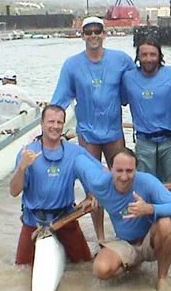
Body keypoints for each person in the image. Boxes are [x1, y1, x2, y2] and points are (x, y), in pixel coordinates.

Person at [74, 148, 171, 290]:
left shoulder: (148, 182)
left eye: (129, 171)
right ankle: (131, 265)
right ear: (110, 169)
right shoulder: (98, 183)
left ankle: (162, 278)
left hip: (149, 241)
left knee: (166, 224)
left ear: (136, 170)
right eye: (119, 171)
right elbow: (77, 159)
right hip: (124, 242)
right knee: (100, 270)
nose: (124, 177)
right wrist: (91, 195)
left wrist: (150, 209)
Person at [9, 104, 104, 265]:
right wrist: (22, 167)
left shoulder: (75, 152)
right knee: (21, 269)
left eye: (59, 123)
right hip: (34, 220)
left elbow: (100, 174)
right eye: (51, 122)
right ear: (41, 123)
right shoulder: (27, 153)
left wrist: (91, 195)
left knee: (84, 265)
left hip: (66, 218)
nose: (55, 126)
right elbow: (14, 191)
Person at [51, 16, 136, 167]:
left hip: (114, 132)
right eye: (88, 32)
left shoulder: (122, 60)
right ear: (82, 35)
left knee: (121, 179)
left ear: (104, 34)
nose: (93, 35)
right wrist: (48, 129)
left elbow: (139, 84)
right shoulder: (71, 65)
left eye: (97, 31)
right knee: (91, 180)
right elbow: (59, 101)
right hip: (87, 133)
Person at [121, 37, 171, 237]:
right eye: (144, 54)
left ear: (159, 56)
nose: (148, 58)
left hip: (170, 140)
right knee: (146, 191)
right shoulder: (128, 78)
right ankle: (149, 234)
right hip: (144, 142)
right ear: (138, 57)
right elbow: (115, 99)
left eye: (152, 54)